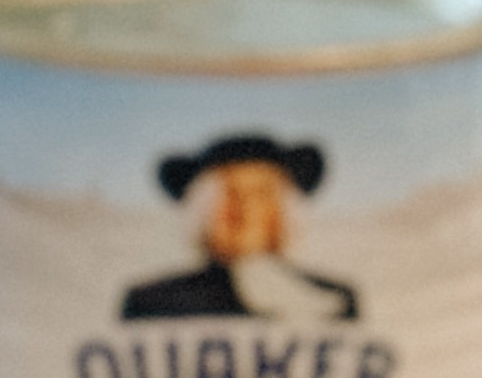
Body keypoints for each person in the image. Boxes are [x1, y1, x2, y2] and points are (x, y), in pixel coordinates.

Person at [120, 134, 357, 322]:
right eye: (230, 195)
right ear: (201, 211)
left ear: (284, 211)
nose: (245, 211)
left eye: (261, 194)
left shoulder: (336, 299)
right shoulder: (153, 302)